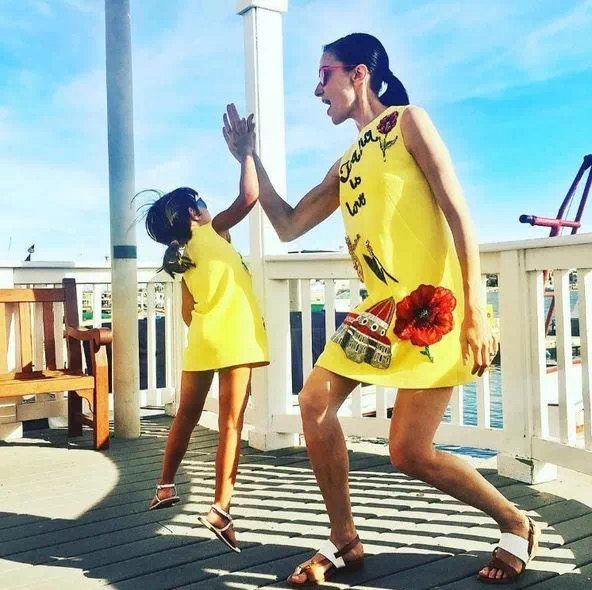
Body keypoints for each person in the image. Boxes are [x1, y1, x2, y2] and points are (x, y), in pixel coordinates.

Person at [223, 33, 537, 585]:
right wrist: (250, 158)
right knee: (313, 402)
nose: (317, 89)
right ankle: (344, 538)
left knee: (409, 452)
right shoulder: (347, 162)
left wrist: (475, 310)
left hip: (431, 307)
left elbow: (458, 213)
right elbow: (288, 224)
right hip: (379, 310)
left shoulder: (409, 122)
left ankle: (516, 522)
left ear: (359, 74)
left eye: (324, 75)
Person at [144, 113, 267, 553]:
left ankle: (164, 486)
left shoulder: (184, 257)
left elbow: (186, 314)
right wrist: (246, 154)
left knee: (187, 415)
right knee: (231, 423)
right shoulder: (213, 232)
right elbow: (249, 197)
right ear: (196, 213)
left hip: (202, 340)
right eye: (203, 203)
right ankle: (220, 508)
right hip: (235, 337)